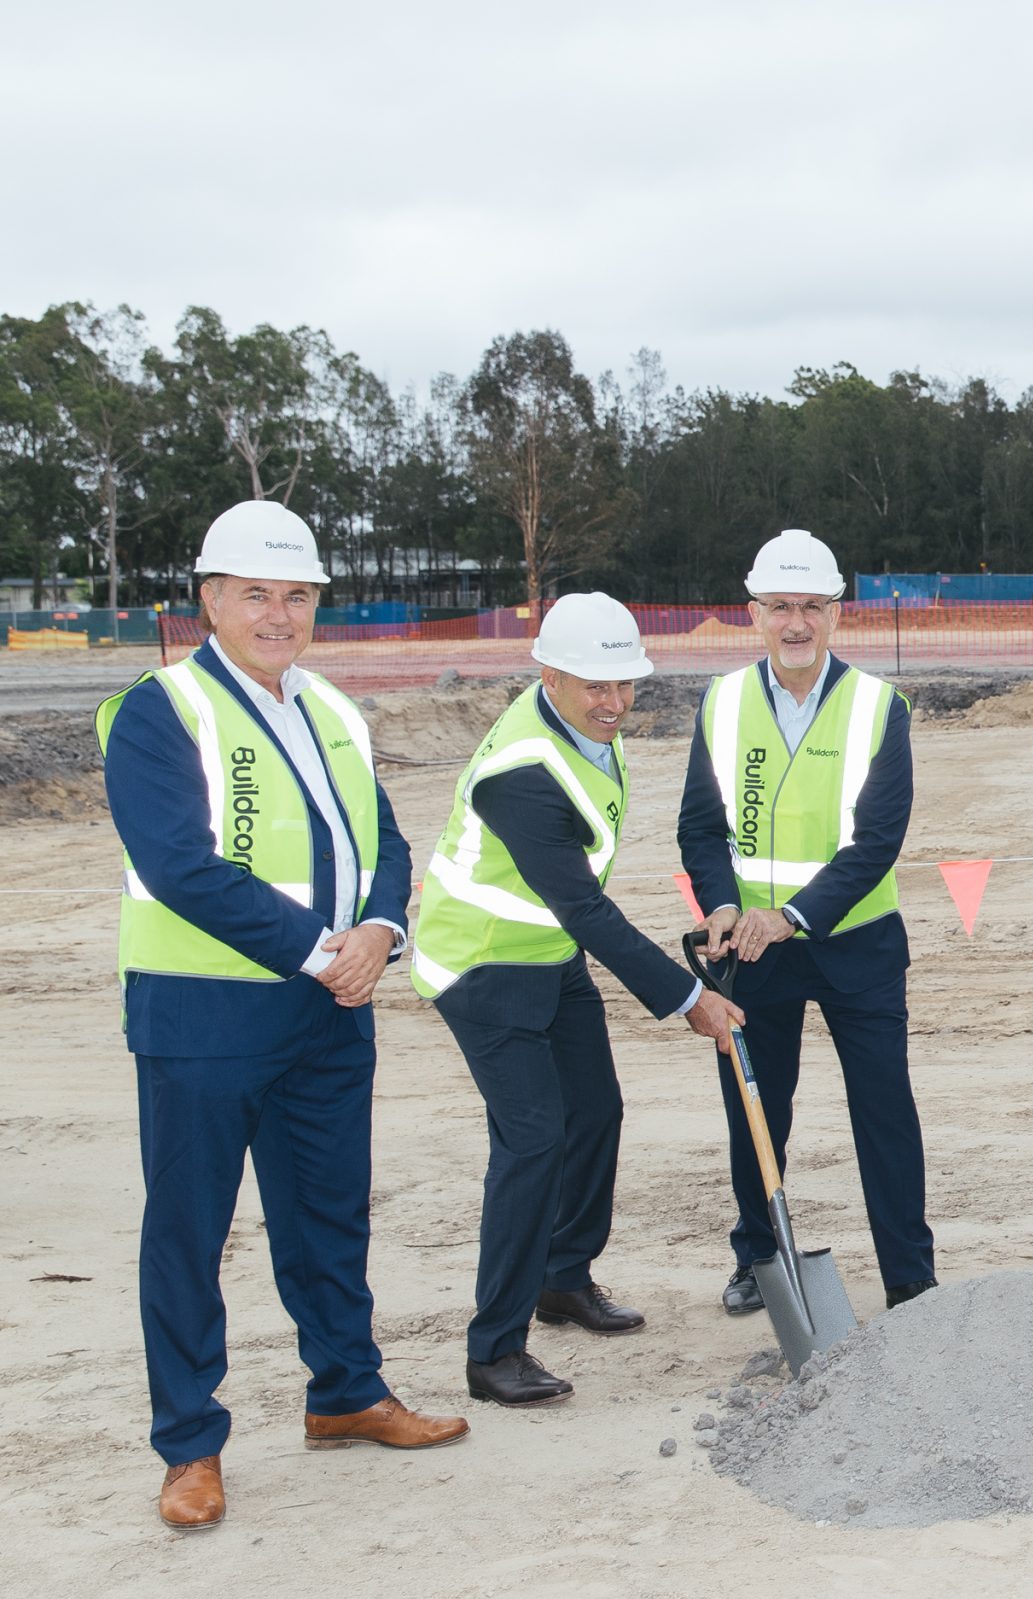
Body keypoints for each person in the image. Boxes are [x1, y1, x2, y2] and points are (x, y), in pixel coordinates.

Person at [98, 499, 467, 1532]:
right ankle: (190, 1446)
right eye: (256, 592)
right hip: (204, 1016)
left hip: (328, 1013)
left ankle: (346, 1391)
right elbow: (179, 866)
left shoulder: (336, 710)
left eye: (296, 593)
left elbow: (383, 840)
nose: (278, 611)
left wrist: (384, 927)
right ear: (210, 598)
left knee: (329, 1215)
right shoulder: (161, 709)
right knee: (189, 1233)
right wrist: (321, 949)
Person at [411, 593, 745, 1407]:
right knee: (532, 1139)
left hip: (546, 952)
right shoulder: (522, 772)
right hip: (481, 962)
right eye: (596, 686)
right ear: (550, 674)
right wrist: (687, 996)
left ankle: (563, 1273)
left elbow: (575, 907)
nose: (615, 704)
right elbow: (586, 909)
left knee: (595, 1111)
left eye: (626, 685)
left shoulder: (581, 731)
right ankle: (494, 1349)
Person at [678, 530, 936, 1313]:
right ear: (753, 613)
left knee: (884, 1107)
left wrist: (790, 916)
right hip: (751, 949)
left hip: (853, 941)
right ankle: (759, 1257)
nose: (797, 623)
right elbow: (700, 827)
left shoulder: (877, 706)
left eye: (812, 608)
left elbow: (877, 842)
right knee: (758, 1107)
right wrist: (722, 903)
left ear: (836, 614)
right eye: (780, 607)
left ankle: (909, 1275)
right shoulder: (722, 702)